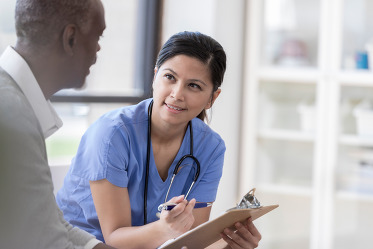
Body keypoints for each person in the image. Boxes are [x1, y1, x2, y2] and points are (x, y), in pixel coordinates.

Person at [56, 31, 262, 249]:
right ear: (155, 76)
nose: (177, 94)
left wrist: (231, 245)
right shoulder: (112, 134)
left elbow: (191, 241)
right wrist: (165, 229)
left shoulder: (210, 148)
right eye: (170, 77)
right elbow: (115, 238)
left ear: (212, 98)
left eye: (194, 86)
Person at [0, 0, 115, 248]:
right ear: (70, 38)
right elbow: (44, 243)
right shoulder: (13, 116)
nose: (98, 49)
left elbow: (48, 221)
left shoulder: (15, 102)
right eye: (97, 36)